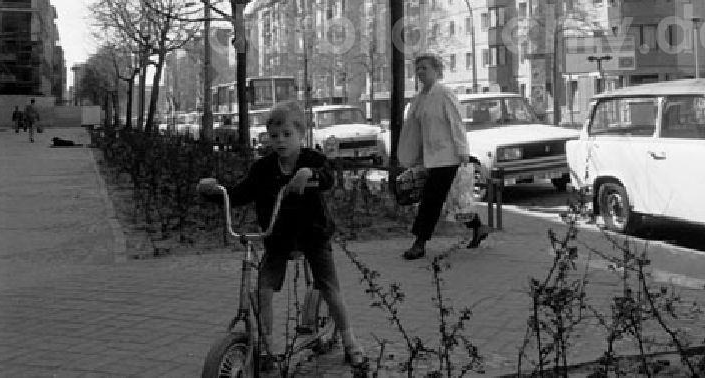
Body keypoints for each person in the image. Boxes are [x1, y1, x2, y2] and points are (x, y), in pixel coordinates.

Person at [198, 100, 364, 367]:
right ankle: (265, 348)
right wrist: (216, 191)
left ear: (301, 134)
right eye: (275, 136)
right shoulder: (262, 169)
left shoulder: (311, 159)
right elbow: (240, 193)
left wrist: (309, 174)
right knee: (263, 289)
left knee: (330, 287)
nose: (281, 141)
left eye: (288, 135)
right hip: (277, 236)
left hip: (312, 233)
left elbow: (328, 176)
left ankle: (351, 342)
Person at [401, 52, 490, 260]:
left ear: (436, 71)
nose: (420, 72)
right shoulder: (420, 98)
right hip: (431, 157)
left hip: (447, 156)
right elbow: (415, 128)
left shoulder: (444, 94)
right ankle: (478, 226)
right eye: (418, 69)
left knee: (431, 200)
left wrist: (462, 152)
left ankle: (419, 243)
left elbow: (456, 124)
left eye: (425, 68)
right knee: (453, 199)